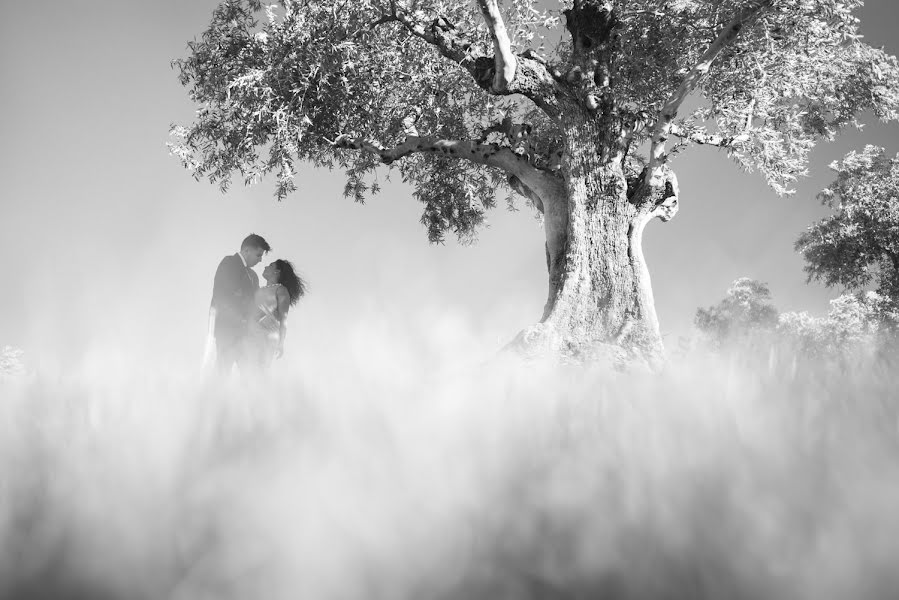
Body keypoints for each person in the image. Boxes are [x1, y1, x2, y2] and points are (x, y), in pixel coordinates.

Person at [209, 234, 270, 373]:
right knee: (222, 373)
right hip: (228, 331)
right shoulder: (229, 263)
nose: (260, 260)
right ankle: (212, 395)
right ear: (247, 250)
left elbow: (255, 303)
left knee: (249, 375)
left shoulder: (253, 276)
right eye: (258, 255)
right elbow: (223, 296)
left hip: (246, 335)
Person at [247, 259, 306, 367]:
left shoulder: (281, 290)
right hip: (251, 334)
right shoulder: (258, 289)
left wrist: (281, 343)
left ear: (277, 271)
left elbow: (283, 319)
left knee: (260, 369)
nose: (265, 267)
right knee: (248, 370)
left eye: (270, 265)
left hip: (266, 336)